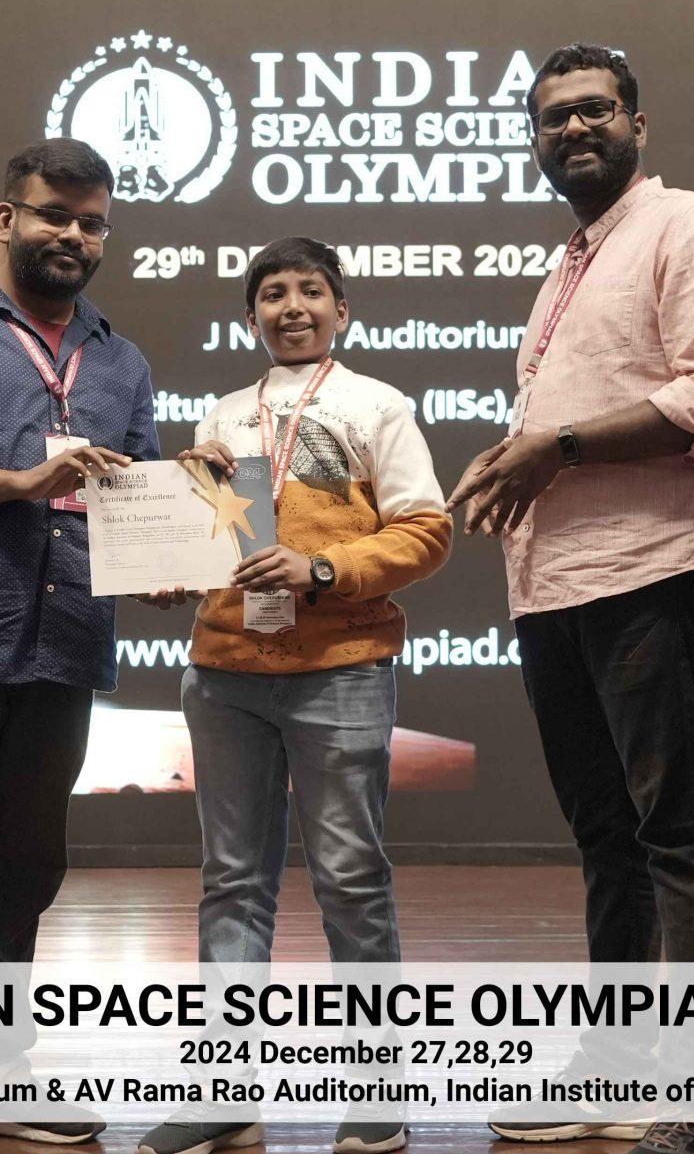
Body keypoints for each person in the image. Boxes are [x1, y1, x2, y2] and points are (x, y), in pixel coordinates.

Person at [447, 44, 694, 1151]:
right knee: (607, 836)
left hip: (655, 568)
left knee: (683, 833)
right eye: (553, 117)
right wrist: (519, 454)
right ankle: (614, 1063)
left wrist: (552, 446)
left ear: (637, 126)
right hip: (552, 586)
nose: (573, 129)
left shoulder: (690, 226)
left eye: (594, 110)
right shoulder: (567, 263)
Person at [138, 236, 452, 1154]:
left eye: (311, 291)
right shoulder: (222, 417)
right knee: (231, 882)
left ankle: (379, 1089)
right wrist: (171, 565)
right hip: (224, 675)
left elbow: (426, 531)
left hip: (340, 669)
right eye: (272, 294)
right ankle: (226, 1093)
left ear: (340, 310)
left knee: (350, 879)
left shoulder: (377, 405)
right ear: (251, 318)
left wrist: (323, 567)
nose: (292, 307)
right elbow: (210, 543)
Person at [0, 138, 160, 1143]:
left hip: (60, 642)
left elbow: (138, 498)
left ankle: (8, 1068)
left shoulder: (122, 359)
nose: (72, 235)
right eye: (53, 213)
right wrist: (19, 483)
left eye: (91, 222)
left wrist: (164, 559)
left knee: (26, 862)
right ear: (6, 218)